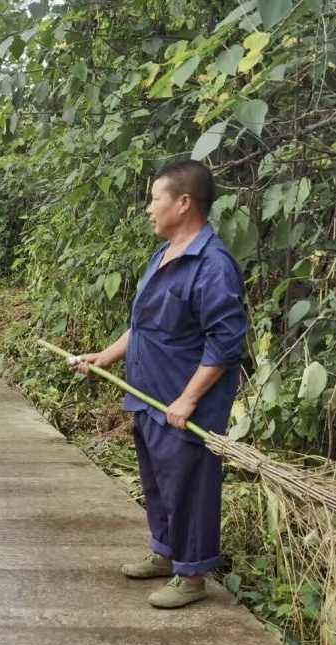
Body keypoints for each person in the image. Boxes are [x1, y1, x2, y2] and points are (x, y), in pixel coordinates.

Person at [72, 160, 247, 609]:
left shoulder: (213, 265)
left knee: (189, 487)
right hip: (148, 396)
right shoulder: (165, 254)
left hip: (182, 404)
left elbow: (225, 345)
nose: (149, 208)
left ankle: (192, 577)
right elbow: (145, 325)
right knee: (159, 482)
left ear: (183, 202)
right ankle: (166, 553)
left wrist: (189, 400)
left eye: (155, 199)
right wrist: (105, 356)